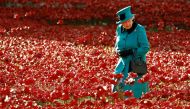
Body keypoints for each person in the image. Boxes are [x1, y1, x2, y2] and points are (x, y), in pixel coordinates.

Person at [113, 6, 150, 98]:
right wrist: (117, 51)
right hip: (122, 63)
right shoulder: (119, 29)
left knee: (136, 89)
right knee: (117, 86)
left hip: (136, 63)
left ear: (132, 19)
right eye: (124, 22)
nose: (126, 23)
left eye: (128, 21)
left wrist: (132, 52)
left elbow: (145, 47)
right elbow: (117, 44)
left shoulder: (139, 29)